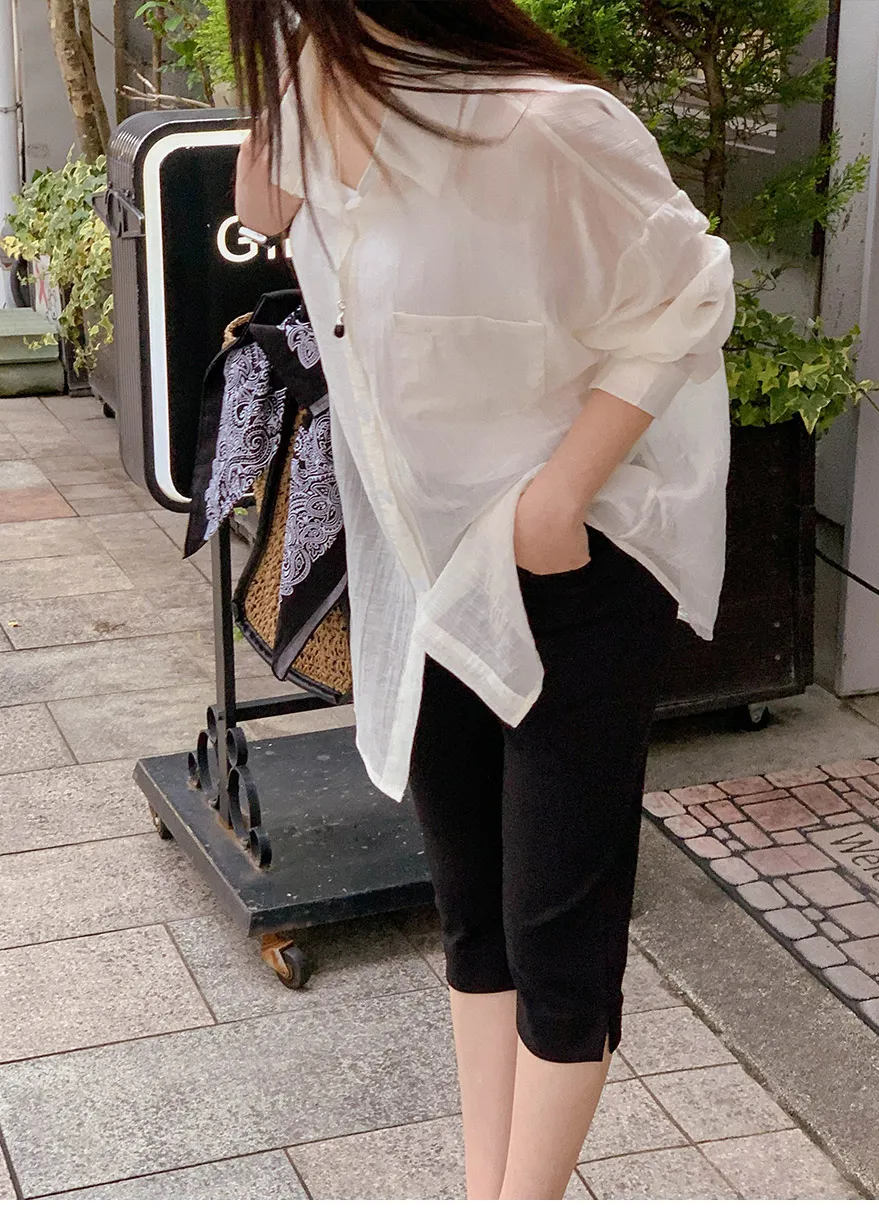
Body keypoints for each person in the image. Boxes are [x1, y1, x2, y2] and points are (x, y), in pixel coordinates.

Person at [232, 0, 735, 1198]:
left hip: (576, 563)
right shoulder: (313, 110)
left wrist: (558, 498)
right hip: (431, 567)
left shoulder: (542, 127)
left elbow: (690, 289)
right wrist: (288, 74)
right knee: (471, 909)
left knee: (558, 930)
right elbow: (263, 209)